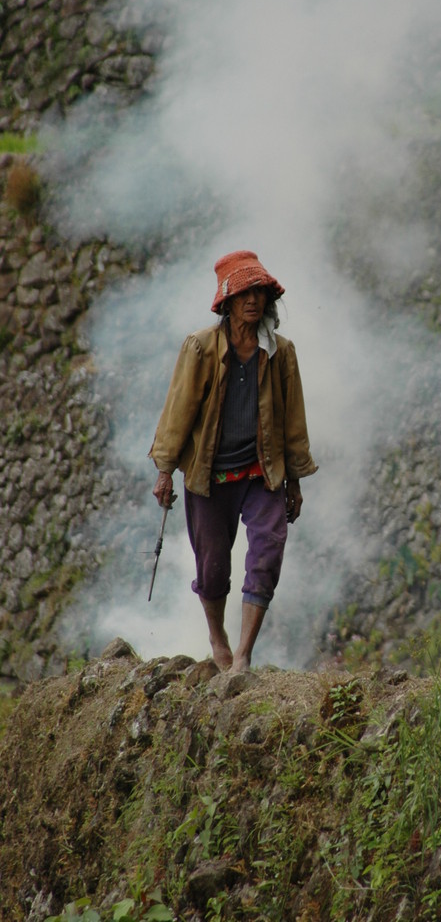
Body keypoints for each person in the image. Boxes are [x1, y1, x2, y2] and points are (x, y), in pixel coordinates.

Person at [149, 250, 317, 672]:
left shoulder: (281, 353)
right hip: (211, 475)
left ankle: (242, 655)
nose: (253, 301)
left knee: (267, 551)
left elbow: (293, 420)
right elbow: (178, 411)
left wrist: (294, 481)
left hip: (262, 473)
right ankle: (218, 637)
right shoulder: (201, 348)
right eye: (243, 292)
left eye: (259, 292)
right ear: (226, 301)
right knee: (212, 565)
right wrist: (165, 471)